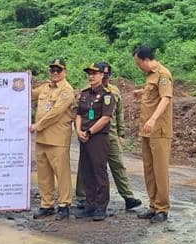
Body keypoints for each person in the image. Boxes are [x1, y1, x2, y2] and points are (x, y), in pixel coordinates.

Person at [73, 62, 142, 213]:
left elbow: (118, 114)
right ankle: (82, 197)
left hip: (109, 134)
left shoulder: (113, 92)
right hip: (93, 134)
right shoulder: (87, 92)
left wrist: (121, 133)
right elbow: (80, 113)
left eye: (107, 75)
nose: (104, 78)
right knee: (86, 166)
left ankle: (128, 196)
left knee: (116, 165)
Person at [29, 58, 76, 220]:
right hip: (42, 139)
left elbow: (56, 113)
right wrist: (22, 80)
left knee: (61, 173)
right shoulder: (44, 87)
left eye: (58, 70)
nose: (55, 73)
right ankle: (46, 204)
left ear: (65, 72)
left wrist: (38, 125)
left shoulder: (66, 90)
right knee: (43, 174)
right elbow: (27, 94)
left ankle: (64, 205)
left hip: (57, 139)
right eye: (52, 70)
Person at [132, 45, 173, 223]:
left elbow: (166, 98)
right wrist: (142, 92)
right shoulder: (151, 76)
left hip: (159, 131)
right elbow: (154, 93)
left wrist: (153, 119)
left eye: (139, 63)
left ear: (146, 60)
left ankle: (162, 209)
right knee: (149, 169)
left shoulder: (163, 74)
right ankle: (153, 206)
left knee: (160, 170)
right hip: (147, 132)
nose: (138, 66)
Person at [73, 63, 117, 221]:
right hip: (83, 136)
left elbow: (105, 118)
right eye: (89, 73)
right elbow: (79, 114)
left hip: (97, 138)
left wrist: (90, 131)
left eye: (94, 73)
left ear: (101, 76)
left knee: (99, 172)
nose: (91, 76)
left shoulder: (107, 95)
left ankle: (100, 206)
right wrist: (78, 131)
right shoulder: (84, 94)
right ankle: (89, 205)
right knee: (87, 171)